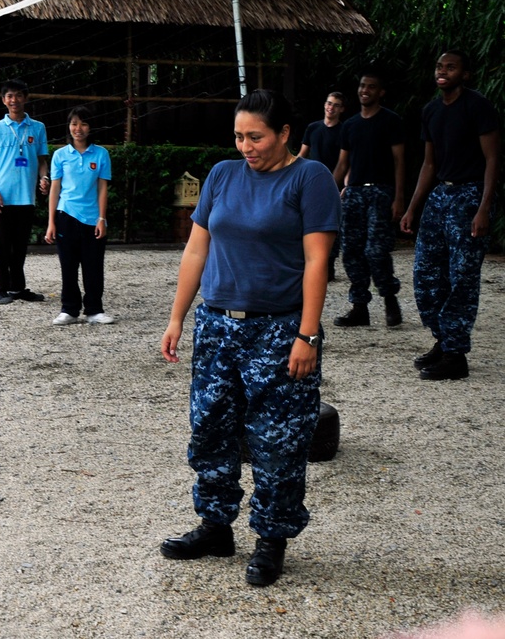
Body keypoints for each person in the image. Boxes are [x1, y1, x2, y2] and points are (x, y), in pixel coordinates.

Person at [159, 89, 340, 587]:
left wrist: (307, 334)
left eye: (255, 136)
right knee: (212, 430)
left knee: (277, 440)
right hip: (218, 325)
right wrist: (178, 317)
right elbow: (197, 250)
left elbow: (317, 263)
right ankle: (216, 527)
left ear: (284, 134)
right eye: (239, 136)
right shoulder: (221, 175)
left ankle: (270, 540)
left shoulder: (310, 179)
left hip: (279, 329)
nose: (246, 146)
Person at [399, 50, 500, 381]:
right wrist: (414, 207)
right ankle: (443, 341)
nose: (442, 71)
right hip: (441, 195)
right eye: (439, 66)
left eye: (451, 67)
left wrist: (484, 207)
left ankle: (456, 357)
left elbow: (492, 160)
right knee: (426, 274)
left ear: (465, 75)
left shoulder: (478, 106)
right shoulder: (430, 111)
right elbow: (429, 164)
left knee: (462, 278)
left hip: (470, 195)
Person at [331, 71, 405, 327]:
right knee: (350, 251)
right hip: (354, 193)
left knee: (376, 250)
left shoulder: (391, 121)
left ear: (380, 92)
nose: (365, 90)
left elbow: (399, 161)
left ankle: (389, 299)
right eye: (362, 86)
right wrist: (328, 194)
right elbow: (342, 164)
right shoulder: (350, 125)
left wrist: (398, 197)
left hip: (380, 193)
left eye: (371, 87)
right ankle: (359, 307)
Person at [44, 106, 114, 325]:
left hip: (93, 219)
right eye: (74, 123)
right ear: (69, 126)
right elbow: (55, 189)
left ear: (90, 127)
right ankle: (69, 310)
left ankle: (94, 309)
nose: (78, 128)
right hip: (66, 216)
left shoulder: (101, 154)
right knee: (68, 266)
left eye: (83, 123)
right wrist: (51, 222)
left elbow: (103, 188)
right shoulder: (60, 155)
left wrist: (102, 218)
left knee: (94, 266)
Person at [0, 79, 49, 305]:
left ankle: (17, 288)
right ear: (3, 101)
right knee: (1, 246)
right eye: (9, 96)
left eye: (18, 95)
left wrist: (44, 177)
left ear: (26, 98)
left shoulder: (38, 128)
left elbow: (42, 160)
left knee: (20, 246)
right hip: (3, 197)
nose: (14, 100)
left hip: (26, 198)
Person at [298, 92, 345, 281]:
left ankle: (329, 264)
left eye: (335, 105)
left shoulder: (344, 130)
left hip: (335, 183)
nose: (330, 107)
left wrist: (345, 184)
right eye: (328, 103)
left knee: (332, 225)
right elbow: (302, 154)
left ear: (341, 109)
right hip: (312, 183)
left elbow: (347, 161)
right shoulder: (313, 128)